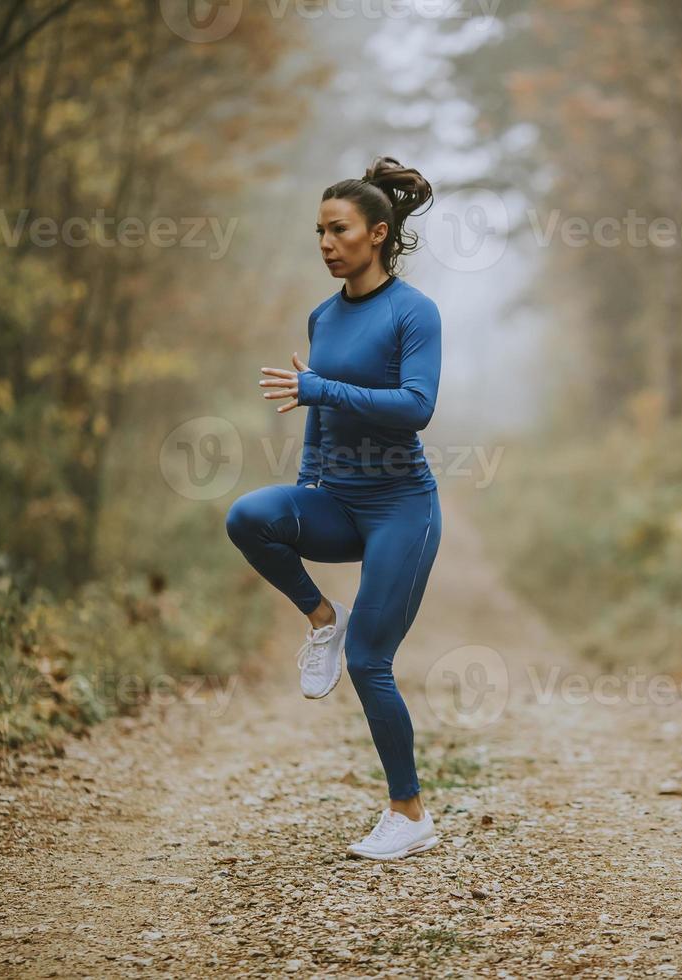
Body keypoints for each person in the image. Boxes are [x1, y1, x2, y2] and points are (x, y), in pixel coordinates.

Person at [225, 156, 443, 861]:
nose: (325, 242)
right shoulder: (324, 315)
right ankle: (322, 617)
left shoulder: (413, 312)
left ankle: (408, 813)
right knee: (248, 516)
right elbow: (315, 410)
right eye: (318, 230)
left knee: (370, 661)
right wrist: (308, 478)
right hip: (338, 501)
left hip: (401, 510)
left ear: (376, 234)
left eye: (338, 229)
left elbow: (416, 408)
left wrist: (321, 390)